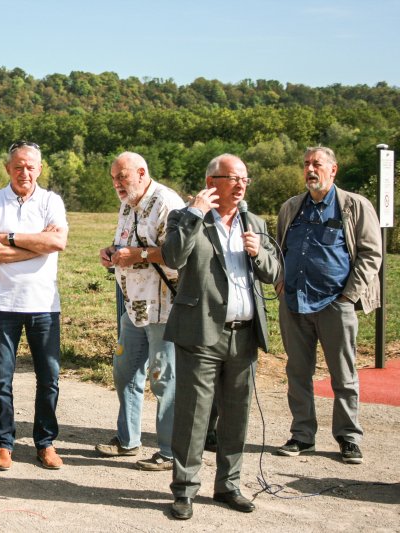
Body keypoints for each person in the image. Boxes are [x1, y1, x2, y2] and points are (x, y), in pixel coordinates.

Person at [162, 154, 279, 520]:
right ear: (212, 181)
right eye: (233, 177)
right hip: (201, 333)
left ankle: (229, 484)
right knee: (193, 416)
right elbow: (172, 256)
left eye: (245, 177)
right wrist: (195, 213)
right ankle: (184, 489)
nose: (241, 184)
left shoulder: (255, 223)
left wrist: (258, 253)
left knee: (236, 416)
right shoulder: (185, 216)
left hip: (243, 335)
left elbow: (275, 270)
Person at [275, 146, 381, 464]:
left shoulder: (354, 206)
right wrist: (280, 283)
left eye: (317, 164)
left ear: (333, 170)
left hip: (336, 304)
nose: (310, 169)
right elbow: (280, 249)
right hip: (294, 303)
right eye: (306, 163)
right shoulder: (291, 207)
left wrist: (348, 296)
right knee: (297, 372)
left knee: (343, 375)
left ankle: (348, 438)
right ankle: (302, 436)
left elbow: (371, 254)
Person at [0, 141, 69, 471]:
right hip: (2, 305)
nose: (24, 172)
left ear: (39, 169)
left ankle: (45, 442)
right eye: (18, 166)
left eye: (30, 166)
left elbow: (57, 242)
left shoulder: (50, 201)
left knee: (49, 378)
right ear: (8, 169)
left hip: (44, 304)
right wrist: (36, 245)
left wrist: (10, 238)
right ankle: (4, 443)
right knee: (1, 379)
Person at [95, 152, 183, 471]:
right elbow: (126, 244)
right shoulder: (128, 203)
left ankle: (171, 451)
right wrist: (112, 252)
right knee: (125, 371)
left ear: (142, 172)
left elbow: (178, 255)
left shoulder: (167, 203)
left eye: (122, 177)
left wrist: (137, 255)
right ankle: (128, 439)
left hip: (165, 308)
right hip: (134, 305)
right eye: (114, 178)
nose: (117, 184)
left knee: (164, 379)